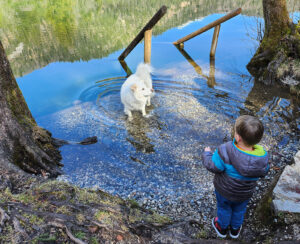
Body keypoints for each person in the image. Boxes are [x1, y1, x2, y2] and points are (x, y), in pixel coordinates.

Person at [202, 115, 269, 239]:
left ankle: (221, 228)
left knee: (224, 208)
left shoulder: (225, 150)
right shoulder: (262, 157)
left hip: (224, 191)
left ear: (237, 137)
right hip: (245, 193)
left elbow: (214, 166)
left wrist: (207, 154)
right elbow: (264, 172)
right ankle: (235, 230)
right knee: (239, 210)